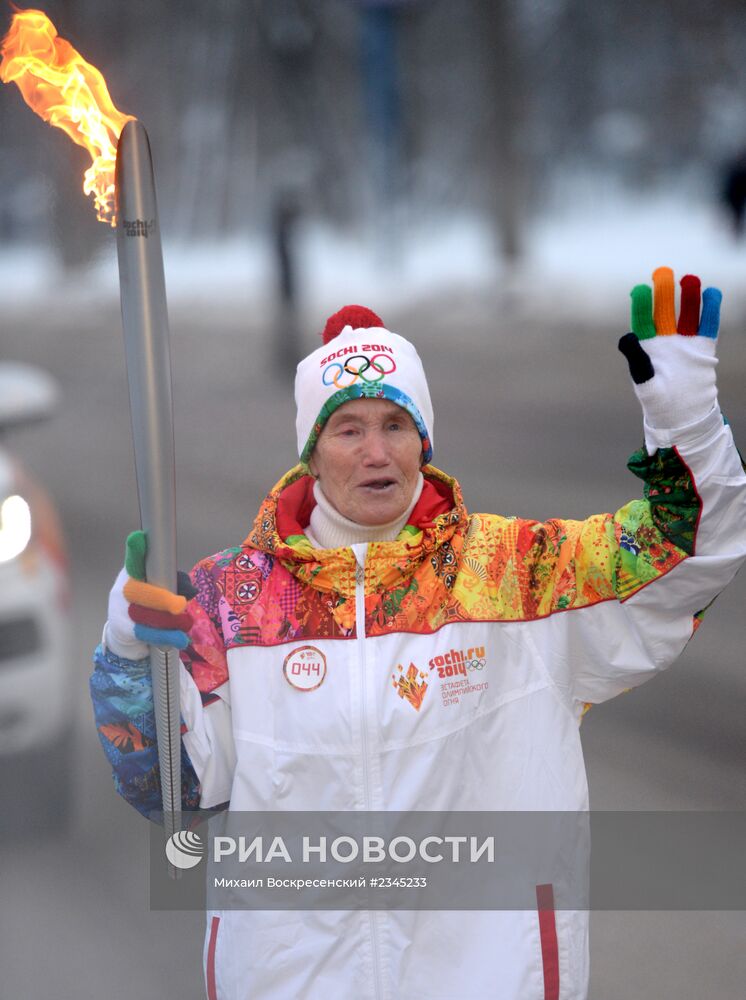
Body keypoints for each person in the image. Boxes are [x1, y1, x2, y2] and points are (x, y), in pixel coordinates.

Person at [91, 268, 746, 1000]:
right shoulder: (228, 603)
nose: (377, 453)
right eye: (349, 428)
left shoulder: (516, 574)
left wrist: (686, 424)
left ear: (423, 441)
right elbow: (168, 790)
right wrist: (129, 654)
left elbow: (686, 556)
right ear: (311, 451)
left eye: (396, 425)